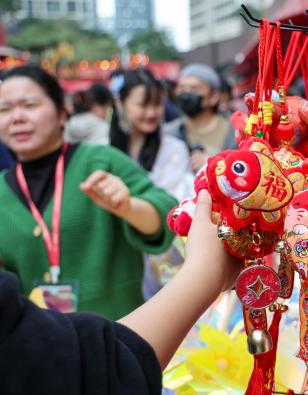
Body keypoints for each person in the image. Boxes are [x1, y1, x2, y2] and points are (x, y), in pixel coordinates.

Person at [0, 190, 242, 395]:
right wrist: (206, 271)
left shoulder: (100, 159)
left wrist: (129, 207)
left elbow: (161, 209)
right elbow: (83, 373)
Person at [0, 65, 177, 319]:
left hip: (118, 335)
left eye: (29, 105)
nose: (17, 117)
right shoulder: (2, 189)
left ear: (62, 113)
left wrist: (129, 207)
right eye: (4, 109)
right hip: (40, 347)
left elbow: (166, 215)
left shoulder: (100, 161)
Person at [109, 69, 193, 297]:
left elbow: (170, 203)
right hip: (117, 254)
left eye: (157, 104)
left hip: (163, 257)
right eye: (143, 104)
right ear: (121, 103)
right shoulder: (104, 150)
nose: (152, 112)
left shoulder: (174, 148)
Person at [165, 63, 236, 173]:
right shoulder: (169, 133)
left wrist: (216, 166)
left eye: (194, 89)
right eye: (181, 88)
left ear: (213, 96)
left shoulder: (235, 131)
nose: (186, 94)